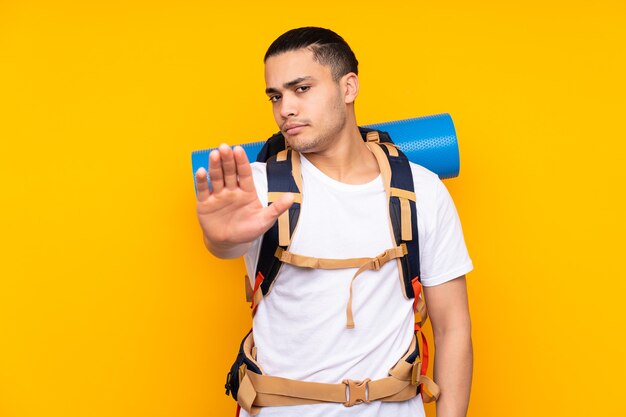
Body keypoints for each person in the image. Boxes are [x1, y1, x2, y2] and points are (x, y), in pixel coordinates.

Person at [195, 27, 473, 417]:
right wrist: (220, 239)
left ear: (349, 88)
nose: (284, 109)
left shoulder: (421, 192)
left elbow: (452, 329)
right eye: (275, 96)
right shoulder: (254, 188)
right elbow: (226, 243)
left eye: (301, 89)